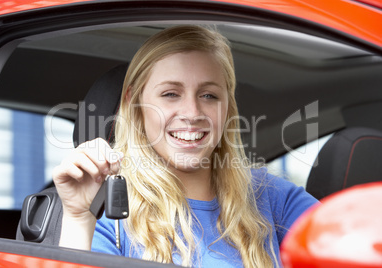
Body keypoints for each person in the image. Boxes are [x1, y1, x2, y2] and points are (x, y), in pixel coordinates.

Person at [53, 25, 318, 268]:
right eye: (170, 94)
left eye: (208, 95)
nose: (192, 112)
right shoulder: (113, 214)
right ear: (134, 102)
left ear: (228, 107)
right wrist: (78, 218)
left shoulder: (272, 198)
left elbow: (347, 240)